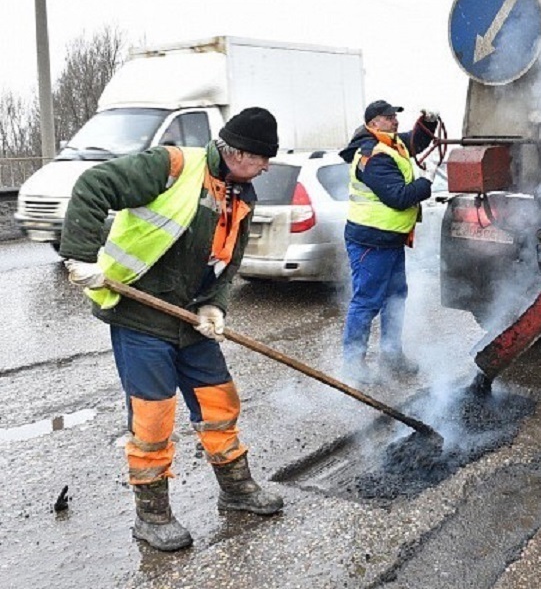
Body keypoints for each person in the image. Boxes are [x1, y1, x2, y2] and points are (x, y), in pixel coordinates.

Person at [59, 107, 284, 552]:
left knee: (219, 403)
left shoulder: (242, 194)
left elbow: (228, 259)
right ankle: (152, 516)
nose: (266, 167)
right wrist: (80, 255)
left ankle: (236, 489)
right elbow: (94, 185)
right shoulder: (173, 166)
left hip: (191, 320)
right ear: (239, 153)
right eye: (262, 158)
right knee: (153, 419)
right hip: (142, 317)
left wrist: (215, 305)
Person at [338, 99, 439, 382]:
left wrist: (428, 122)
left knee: (395, 297)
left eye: (395, 115)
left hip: (389, 240)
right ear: (374, 124)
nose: (395, 120)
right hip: (371, 241)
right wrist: (426, 182)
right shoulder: (373, 155)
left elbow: (416, 141)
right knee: (367, 301)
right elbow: (398, 197)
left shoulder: (392, 143)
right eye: (388, 117)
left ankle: (392, 356)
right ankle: (353, 364)